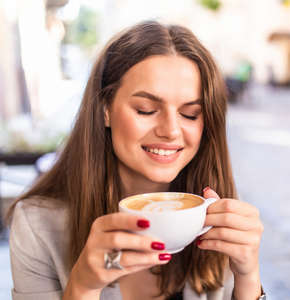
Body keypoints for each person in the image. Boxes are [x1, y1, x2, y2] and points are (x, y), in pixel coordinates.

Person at [7, 21, 265, 300]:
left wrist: (248, 278)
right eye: (146, 110)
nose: (170, 130)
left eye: (190, 114)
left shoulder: (213, 215)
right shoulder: (37, 225)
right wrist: (83, 286)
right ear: (105, 109)